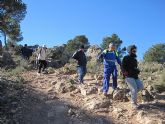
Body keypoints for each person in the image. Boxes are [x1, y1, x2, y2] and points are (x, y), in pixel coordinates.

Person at [122, 45, 144, 109]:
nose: (135, 51)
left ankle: (129, 94)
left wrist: (137, 70)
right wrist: (124, 72)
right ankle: (133, 103)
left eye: (135, 50)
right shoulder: (126, 57)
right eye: (133, 50)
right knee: (134, 89)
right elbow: (122, 66)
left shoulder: (135, 60)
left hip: (135, 76)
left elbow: (134, 68)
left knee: (141, 86)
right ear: (129, 50)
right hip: (128, 76)